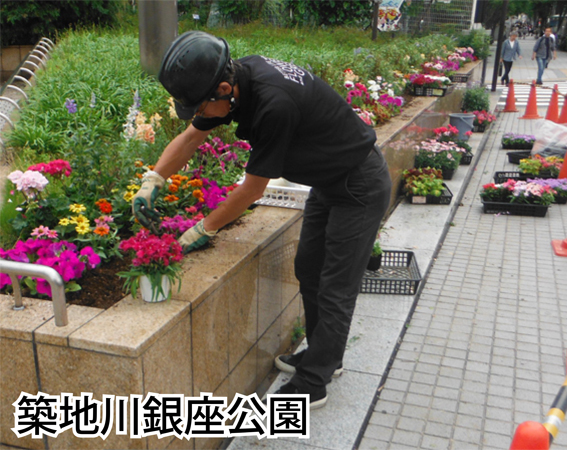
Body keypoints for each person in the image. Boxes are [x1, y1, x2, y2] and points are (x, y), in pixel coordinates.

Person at [132, 31, 392, 409]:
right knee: (308, 268)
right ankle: (324, 354)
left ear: (223, 88)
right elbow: (190, 138)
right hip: (328, 180)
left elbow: (253, 190)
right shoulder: (238, 81)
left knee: (336, 284)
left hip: (358, 186)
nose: (201, 115)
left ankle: (315, 380)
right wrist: (152, 179)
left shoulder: (274, 104)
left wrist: (203, 228)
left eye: (202, 106)